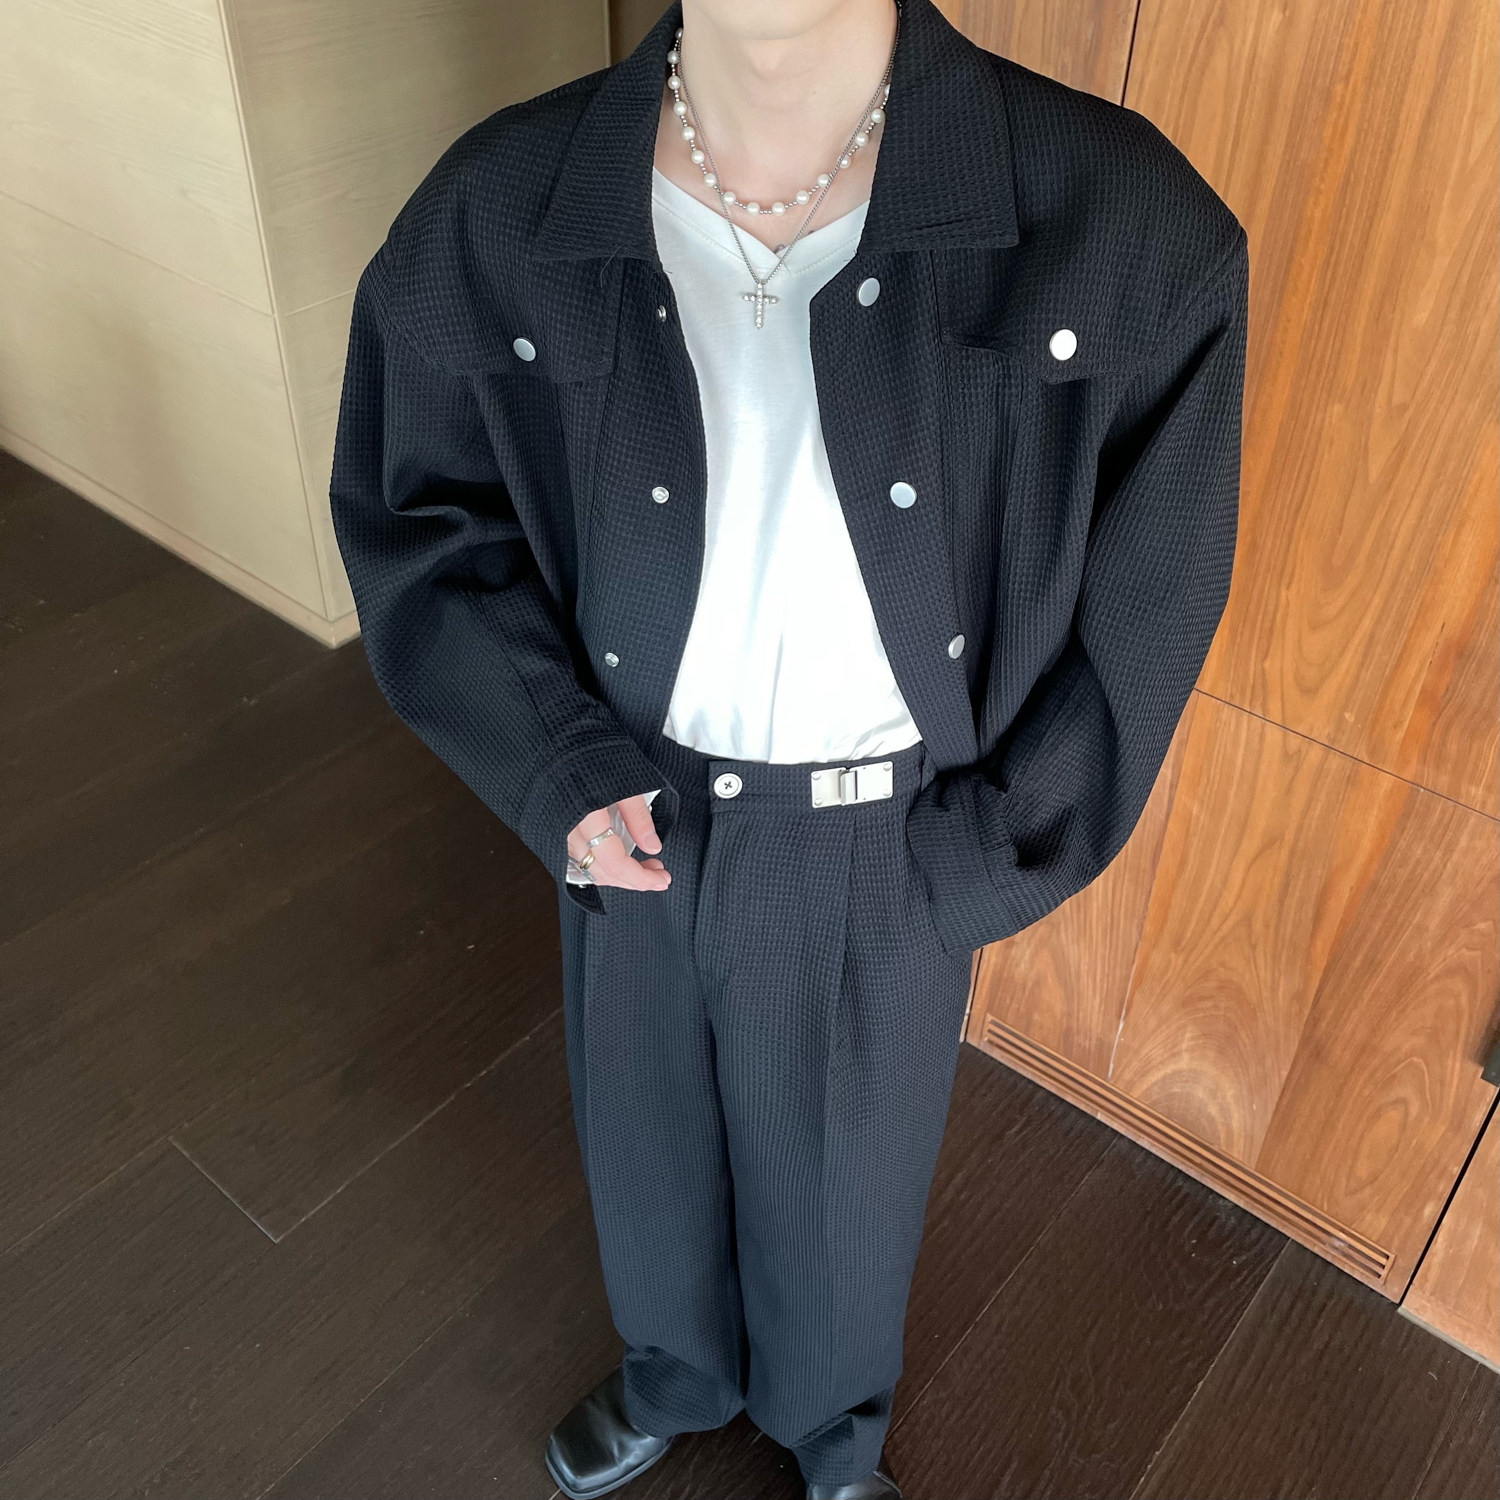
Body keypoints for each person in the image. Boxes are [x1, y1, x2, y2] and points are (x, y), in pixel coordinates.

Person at [328, 0, 1249, 1495]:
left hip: (887, 837)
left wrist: (992, 845)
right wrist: (551, 764)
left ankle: (832, 1428)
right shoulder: (493, 210)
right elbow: (421, 520)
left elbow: (1156, 592)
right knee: (640, 1132)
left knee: (850, 1174)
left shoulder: (1121, 222)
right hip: (626, 796)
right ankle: (674, 1371)